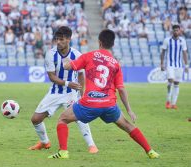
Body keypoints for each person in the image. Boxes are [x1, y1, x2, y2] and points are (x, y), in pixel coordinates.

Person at [48, 29, 159, 159]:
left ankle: (63, 152)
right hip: (109, 104)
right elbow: (121, 89)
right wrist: (129, 110)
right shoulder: (115, 63)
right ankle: (150, 151)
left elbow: (68, 67)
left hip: (90, 102)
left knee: (62, 119)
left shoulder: (89, 56)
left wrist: (66, 59)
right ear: (112, 44)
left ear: (99, 42)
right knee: (128, 126)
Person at [29, 26, 98, 154]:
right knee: (35, 119)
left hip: (71, 94)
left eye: (61, 39)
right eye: (57, 39)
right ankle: (45, 142)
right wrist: (68, 83)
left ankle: (92, 145)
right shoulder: (51, 54)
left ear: (68, 39)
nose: (58, 42)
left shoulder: (77, 55)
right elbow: (51, 76)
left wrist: (82, 95)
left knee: (79, 117)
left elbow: (82, 75)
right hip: (55, 92)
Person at [160, 25, 189, 109]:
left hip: (179, 66)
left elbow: (184, 53)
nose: (176, 32)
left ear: (180, 31)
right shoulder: (167, 40)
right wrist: (162, 64)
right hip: (170, 65)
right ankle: (168, 101)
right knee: (171, 80)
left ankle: (173, 103)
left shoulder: (182, 41)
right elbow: (163, 52)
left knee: (176, 83)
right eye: (175, 30)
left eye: (177, 30)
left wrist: (186, 65)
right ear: (172, 31)